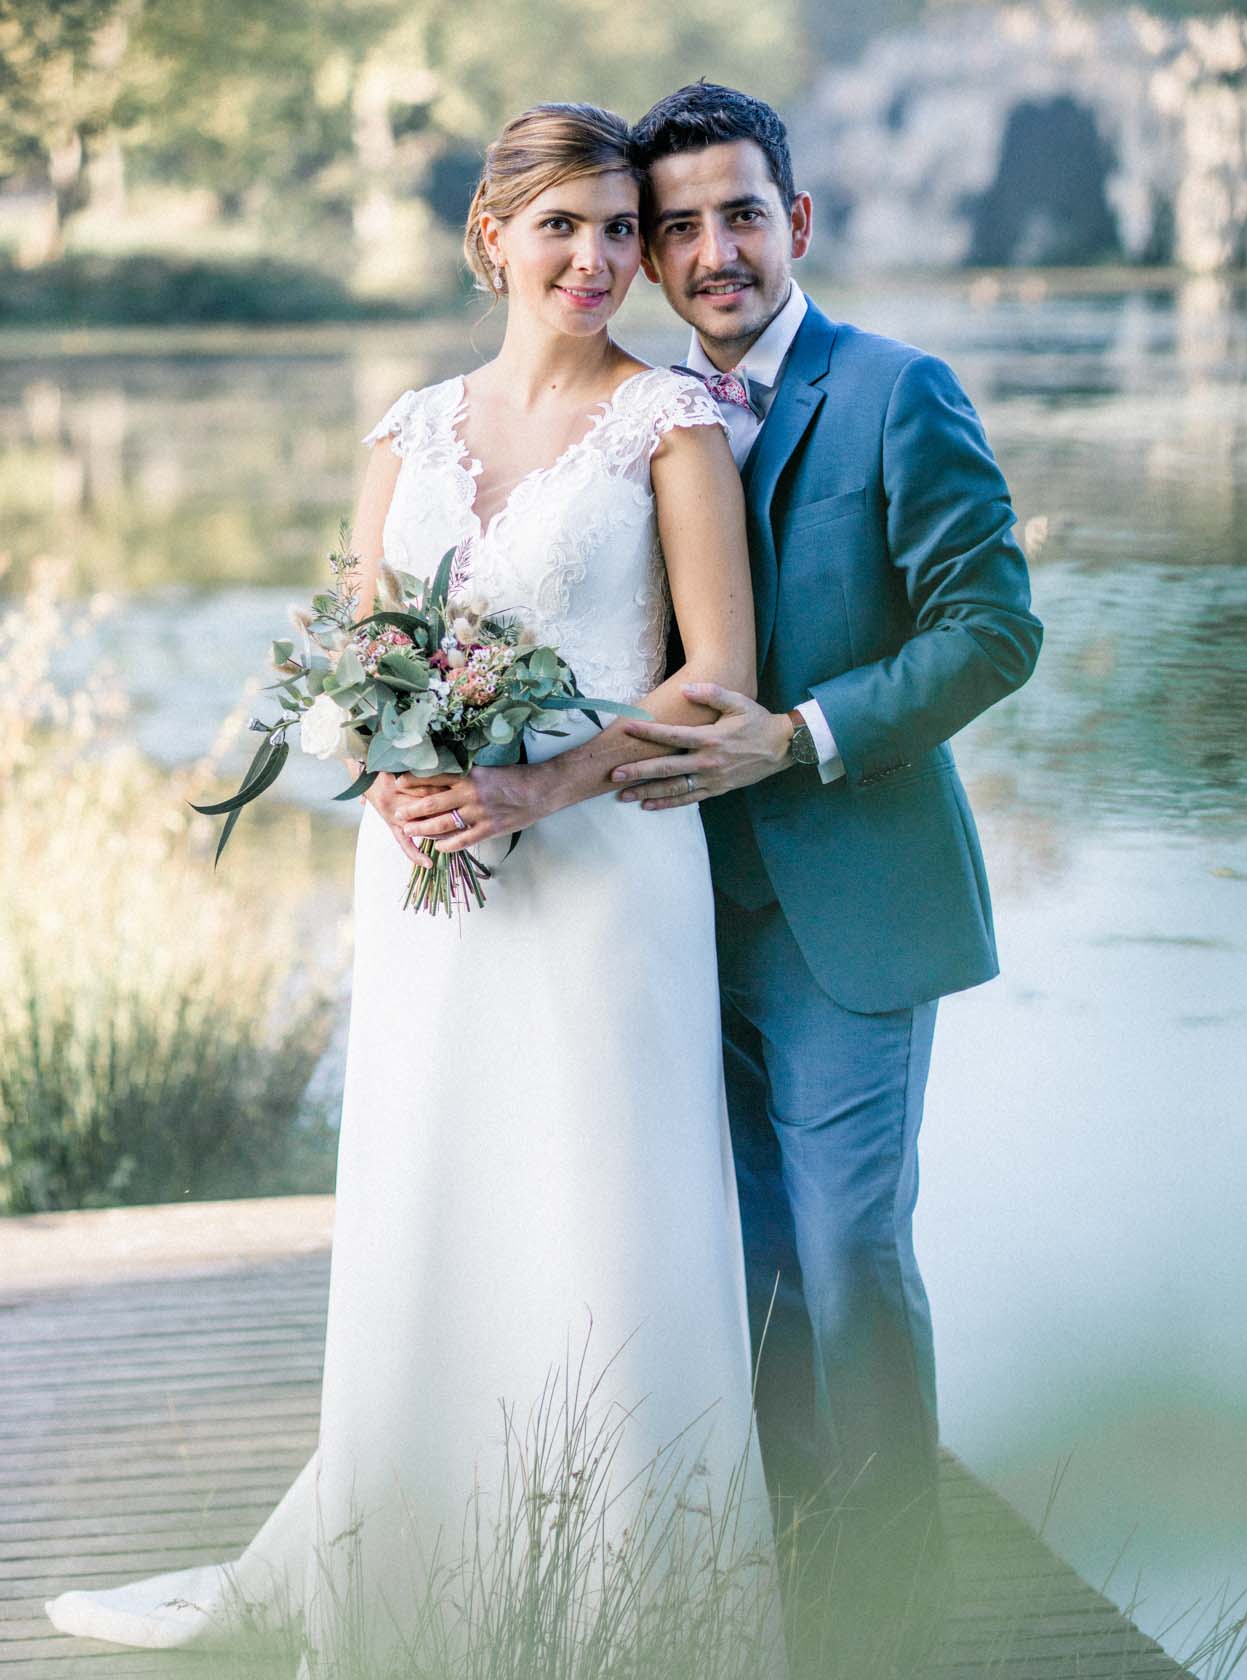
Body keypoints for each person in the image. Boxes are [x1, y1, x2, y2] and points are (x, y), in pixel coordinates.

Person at [44, 104, 783, 1677]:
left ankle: (628, 1593)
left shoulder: (675, 424)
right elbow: (356, 646)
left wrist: (545, 779)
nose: (593, 260)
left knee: (599, 1200)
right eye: (562, 226)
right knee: (441, 1192)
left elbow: (718, 672)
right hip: (428, 880)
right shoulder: (412, 428)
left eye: (614, 230)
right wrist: (385, 763)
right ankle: (423, 1560)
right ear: (491, 236)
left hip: (609, 876)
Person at [603, 82, 1045, 1674]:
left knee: (852, 1253)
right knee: (743, 1265)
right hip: (658, 924)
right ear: (648, 257)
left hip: (851, 909)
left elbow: (993, 632)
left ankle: (897, 1611)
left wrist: (798, 736)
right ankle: (789, 1580)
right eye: (679, 227)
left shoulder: (893, 391)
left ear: (794, 222)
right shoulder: (636, 415)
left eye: (739, 215)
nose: (713, 251)